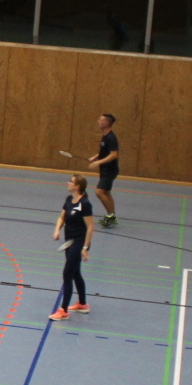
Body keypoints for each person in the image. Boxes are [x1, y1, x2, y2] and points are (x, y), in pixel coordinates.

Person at [49, 175, 94, 321]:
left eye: (71, 182)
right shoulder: (69, 199)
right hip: (69, 241)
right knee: (76, 273)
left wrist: (85, 248)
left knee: (67, 274)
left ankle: (63, 311)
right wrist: (57, 230)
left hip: (79, 243)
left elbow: (90, 227)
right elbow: (62, 217)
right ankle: (82, 304)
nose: (68, 183)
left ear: (77, 186)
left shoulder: (85, 204)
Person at [89, 114, 119, 228]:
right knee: (106, 192)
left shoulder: (111, 137)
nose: (98, 121)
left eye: (101, 120)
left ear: (107, 123)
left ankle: (111, 216)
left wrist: (98, 162)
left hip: (110, 170)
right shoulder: (105, 136)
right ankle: (112, 216)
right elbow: (105, 151)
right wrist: (96, 157)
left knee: (99, 192)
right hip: (106, 169)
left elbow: (114, 154)